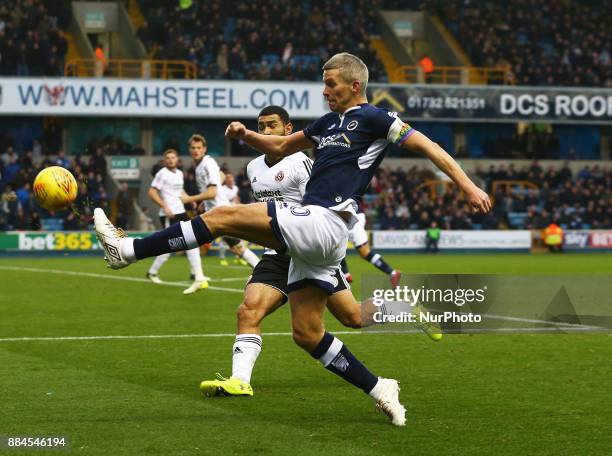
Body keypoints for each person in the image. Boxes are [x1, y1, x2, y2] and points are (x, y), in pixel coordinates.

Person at [94, 52, 491, 426]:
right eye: (323, 83)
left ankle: (127, 250)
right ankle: (380, 384)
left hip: (327, 220)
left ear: (354, 85)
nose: (324, 91)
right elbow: (282, 145)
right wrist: (247, 134)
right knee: (309, 332)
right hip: (313, 234)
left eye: (331, 83)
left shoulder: (374, 117)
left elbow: (430, 146)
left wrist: (468, 187)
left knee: (221, 216)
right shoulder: (325, 124)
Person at [199, 105, 441, 398]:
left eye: (272, 125)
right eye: (261, 126)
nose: (266, 131)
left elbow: (324, 209)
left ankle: (406, 308)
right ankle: (240, 380)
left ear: (288, 130)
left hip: (310, 249)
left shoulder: (301, 162)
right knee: (248, 309)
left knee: (353, 318)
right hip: (278, 253)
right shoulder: (253, 167)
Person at [180, 134, 260, 268]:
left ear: (204, 149)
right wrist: (203, 201)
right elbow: (221, 176)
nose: (196, 150)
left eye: (199, 148)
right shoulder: (199, 166)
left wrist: (190, 198)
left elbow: (212, 193)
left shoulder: (207, 163)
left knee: (192, 236)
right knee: (236, 248)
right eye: (193, 148)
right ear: (189, 150)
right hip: (215, 211)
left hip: (221, 212)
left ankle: (198, 276)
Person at [145, 149, 209, 294]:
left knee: (192, 241)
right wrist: (164, 206)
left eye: (173, 157)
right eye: (167, 158)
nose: (170, 160)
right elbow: (152, 192)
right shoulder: (162, 173)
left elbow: (180, 191)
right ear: (164, 160)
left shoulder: (180, 173)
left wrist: (190, 201)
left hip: (181, 211)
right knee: (169, 246)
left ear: (177, 159)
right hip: (169, 214)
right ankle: (152, 272)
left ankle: (196, 274)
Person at [339, 211, 401, 286]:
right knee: (337, 247)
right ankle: (346, 275)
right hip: (347, 218)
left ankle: (393, 272)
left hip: (351, 218)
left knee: (365, 252)